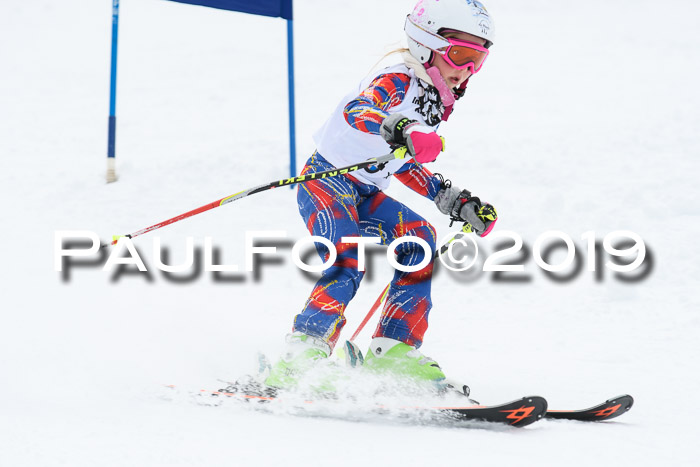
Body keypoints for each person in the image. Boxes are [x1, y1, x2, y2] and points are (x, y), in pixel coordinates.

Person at [265, 0, 498, 391]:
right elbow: (359, 110)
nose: (468, 71)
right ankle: (301, 355)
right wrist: (401, 126)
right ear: (426, 44)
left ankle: (393, 348)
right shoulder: (400, 78)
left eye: (479, 59)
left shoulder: (433, 98)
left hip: (366, 189)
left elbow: (398, 162)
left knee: (420, 237)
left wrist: (453, 200)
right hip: (326, 181)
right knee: (347, 259)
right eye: (460, 55)